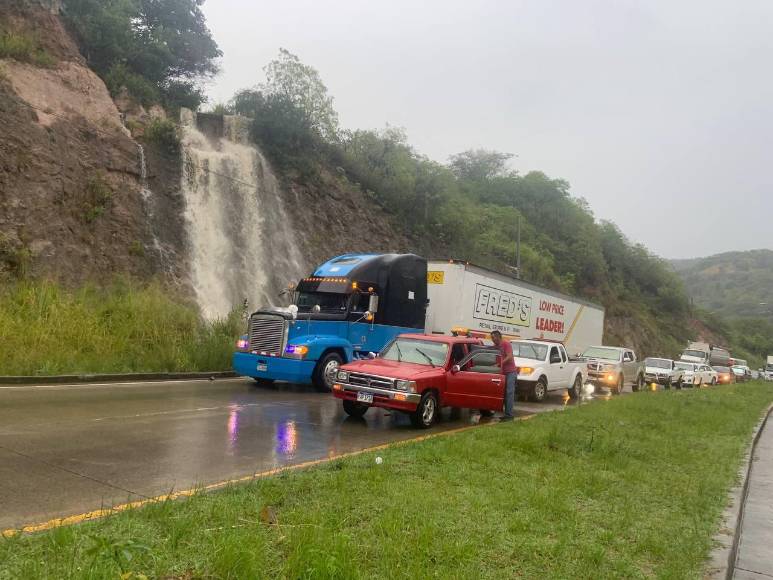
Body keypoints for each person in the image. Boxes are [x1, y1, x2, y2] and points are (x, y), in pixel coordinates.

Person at [491, 330, 518, 421]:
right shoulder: (495, 347)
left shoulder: (506, 344)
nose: (492, 339)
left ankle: (509, 415)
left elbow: (509, 357)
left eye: (493, 337)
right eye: (491, 338)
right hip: (502, 373)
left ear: (498, 337)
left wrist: (499, 364)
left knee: (509, 393)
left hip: (511, 372)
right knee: (503, 394)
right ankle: (505, 414)